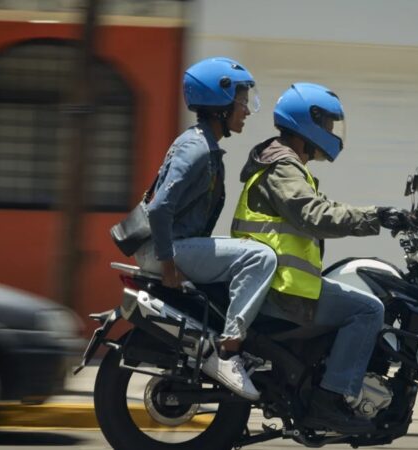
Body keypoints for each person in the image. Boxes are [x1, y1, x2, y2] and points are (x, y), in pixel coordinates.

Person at [231, 82, 407, 433]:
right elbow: (314, 215)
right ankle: (330, 401)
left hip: (279, 285)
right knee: (369, 309)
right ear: (306, 122)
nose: (330, 133)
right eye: (326, 124)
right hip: (282, 291)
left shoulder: (285, 164)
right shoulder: (283, 166)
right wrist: (377, 216)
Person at [134, 57, 277, 401]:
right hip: (166, 248)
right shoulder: (197, 148)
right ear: (220, 103)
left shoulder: (203, 144)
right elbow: (160, 208)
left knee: (247, 249)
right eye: (241, 100)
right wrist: (169, 264)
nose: (246, 109)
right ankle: (228, 352)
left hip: (175, 244)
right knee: (260, 257)